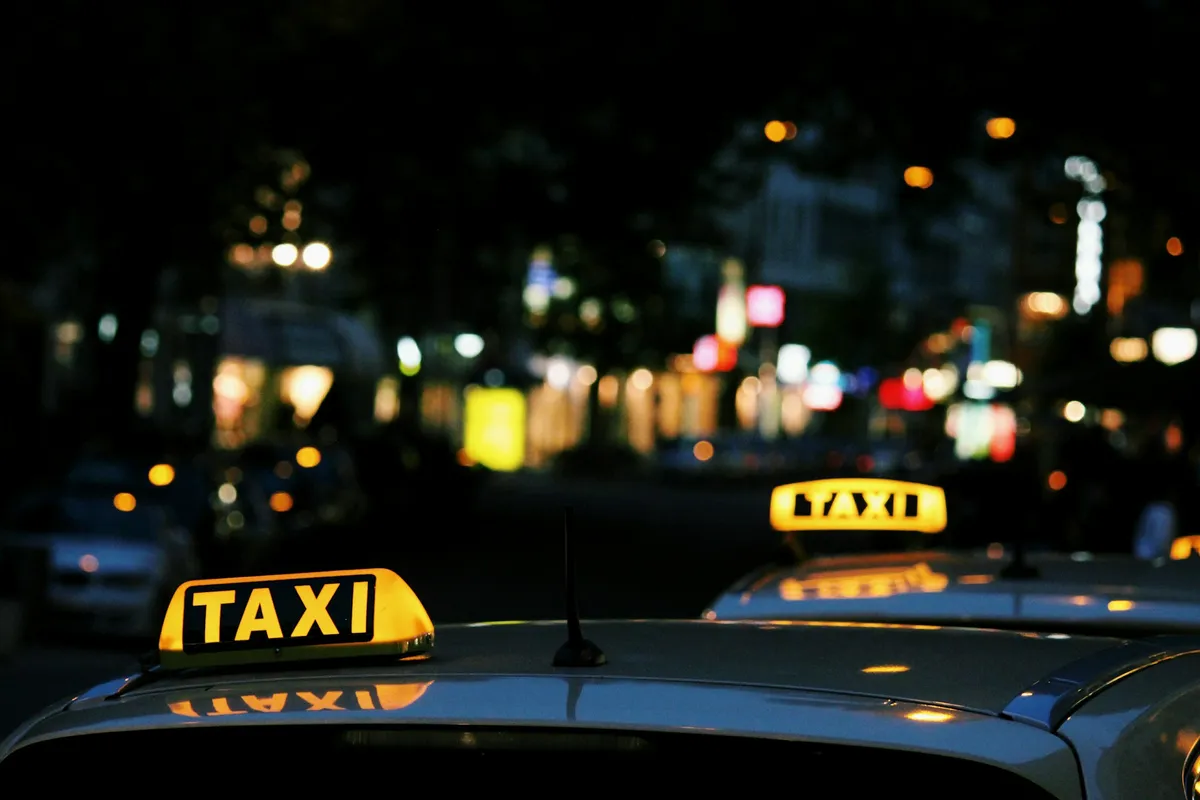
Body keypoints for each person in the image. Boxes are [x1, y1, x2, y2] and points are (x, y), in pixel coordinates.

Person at [1133, 483, 1178, 560]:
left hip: (1153, 553)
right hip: (1146, 553)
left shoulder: (1164, 510)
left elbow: (1167, 534)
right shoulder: (1154, 510)